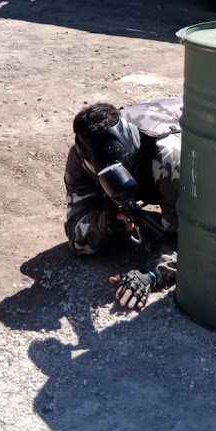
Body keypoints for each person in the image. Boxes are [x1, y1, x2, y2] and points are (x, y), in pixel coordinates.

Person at [64, 98, 181, 311]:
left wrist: (152, 274)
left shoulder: (170, 161)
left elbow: (195, 244)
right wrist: (107, 223)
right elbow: (78, 238)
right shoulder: (81, 158)